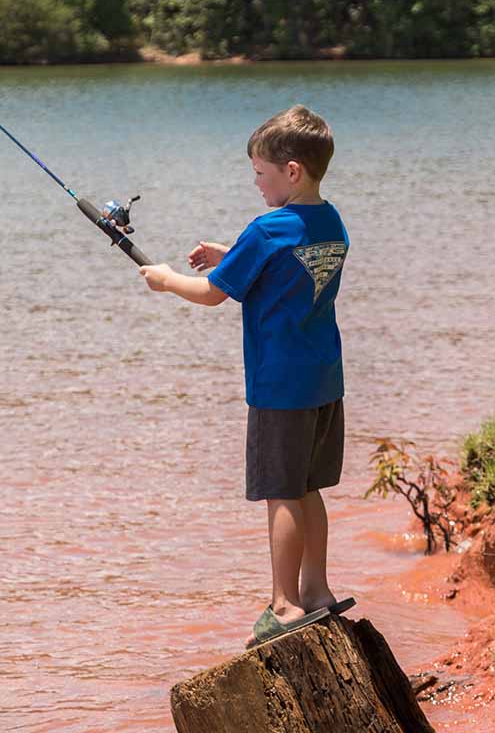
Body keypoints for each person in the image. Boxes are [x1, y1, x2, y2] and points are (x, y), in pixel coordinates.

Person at [139, 105, 354, 648]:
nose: (255, 182)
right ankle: (318, 592)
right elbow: (290, 260)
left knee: (280, 493)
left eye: (260, 173)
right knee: (308, 490)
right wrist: (228, 253)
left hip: (279, 388)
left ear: (292, 171)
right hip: (324, 382)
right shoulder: (331, 222)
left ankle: (283, 605)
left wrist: (166, 281)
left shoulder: (266, 228)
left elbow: (212, 292)